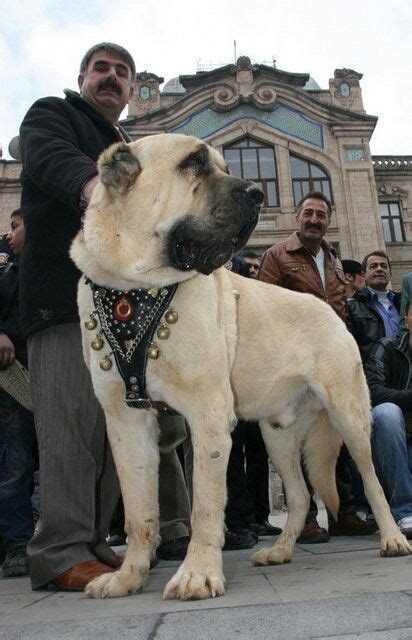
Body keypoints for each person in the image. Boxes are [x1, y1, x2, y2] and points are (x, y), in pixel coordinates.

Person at [19, 42, 190, 591]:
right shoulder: (54, 113)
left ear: (133, 86)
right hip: (65, 300)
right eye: (102, 69)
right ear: (83, 77)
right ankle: (60, 549)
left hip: (119, 311)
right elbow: (49, 158)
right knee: (70, 425)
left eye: (122, 71)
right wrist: (97, 186)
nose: (112, 78)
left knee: (113, 426)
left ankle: (92, 541)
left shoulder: (131, 145)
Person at [258, 190, 377, 542]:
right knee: (294, 440)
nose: (314, 220)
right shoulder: (277, 256)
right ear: (298, 218)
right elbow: (263, 309)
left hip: (330, 363)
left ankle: (341, 513)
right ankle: (305, 517)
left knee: (333, 436)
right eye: (308, 213)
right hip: (292, 364)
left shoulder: (334, 261)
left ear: (329, 220)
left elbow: (339, 314)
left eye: (320, 215)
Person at [0, 209, 37, 577]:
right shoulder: (7, 271)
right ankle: (16, 543)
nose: (10, 235)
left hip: (47, 372)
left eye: (16, 226)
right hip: (13, 379)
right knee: (15, 464)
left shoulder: (50, 269)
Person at [362, 301, 412, 539]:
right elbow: (373, 391)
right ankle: (406, 511)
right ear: (407, 319)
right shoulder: (388, 347)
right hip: (392, 449)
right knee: (386, 412)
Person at [347, 251, 401, 364]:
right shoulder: (351, 307)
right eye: (373, 266)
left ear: (390, 274)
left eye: (384, 266)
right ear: (364, 275)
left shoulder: (402, 303)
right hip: (372, 376)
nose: (379, 269)